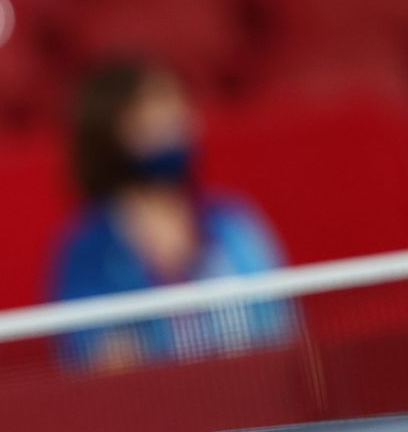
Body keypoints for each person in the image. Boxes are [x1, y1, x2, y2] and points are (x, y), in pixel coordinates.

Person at [50, 56, 294, 372]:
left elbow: (280, 330)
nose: (175, 120)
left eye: (177, 105)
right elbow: (101, 363)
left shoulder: (234, 223)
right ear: (110, 131)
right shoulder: (87, 252)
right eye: (151, 110)